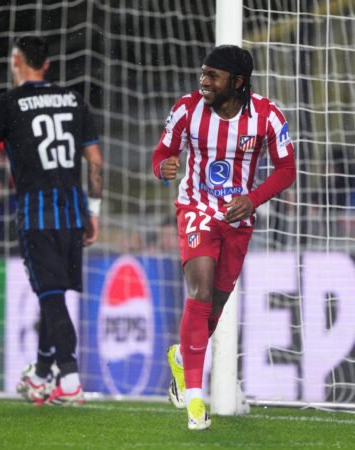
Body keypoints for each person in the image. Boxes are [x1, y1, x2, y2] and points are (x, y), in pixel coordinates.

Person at [152, 45, 296, 430]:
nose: (204, 82)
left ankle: (181, 358)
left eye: (212, 76)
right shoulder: (186, 109)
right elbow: (162, 153)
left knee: (213, 308)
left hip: (237, 219)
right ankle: (195, 402)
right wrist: (163, 167)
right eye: (203, 74)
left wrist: (252, 199)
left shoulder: (266, 115)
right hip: (196, 209)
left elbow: (286, 169)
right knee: (199, 291)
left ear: (237, 82)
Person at [0, 35, 103, 405]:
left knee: (51, 298)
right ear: (47, 65)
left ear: (16, 61)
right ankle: (40, 375)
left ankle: (70, 381)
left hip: (38, 216)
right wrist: (93, 212)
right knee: (53, 296)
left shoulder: (8, 103)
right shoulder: (73, 100)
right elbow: (96, 164)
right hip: (73, 214)